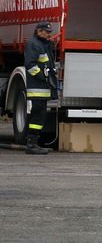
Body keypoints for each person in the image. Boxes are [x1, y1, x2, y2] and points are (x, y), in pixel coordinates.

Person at [23, 21, 59, 154]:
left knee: (40, 115)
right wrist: (43, 77)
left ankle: (33, 143)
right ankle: (31, 145)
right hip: (37, 87)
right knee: (37, 115)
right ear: (39, 31)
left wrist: (50, 43)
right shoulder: (34, 44)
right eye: (46, 32)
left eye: (50, 32)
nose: (49, 34)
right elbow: (30, 65)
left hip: (41, 87)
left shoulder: (42, 44)